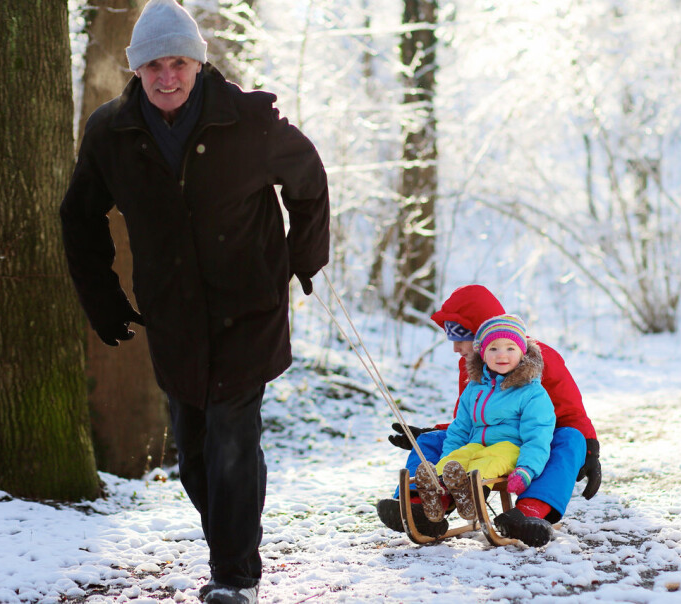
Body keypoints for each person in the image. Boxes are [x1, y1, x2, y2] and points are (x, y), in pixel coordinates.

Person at [59, 1, 330, 602]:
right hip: (173, 315)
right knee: (197, 452)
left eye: (177, 61)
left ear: (198, 62)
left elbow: (308, 178)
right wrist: (103, 301)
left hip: (249, 308)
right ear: (136, 70)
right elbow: (79, 218)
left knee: (231, 436)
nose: (166, 76)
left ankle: (235, 578)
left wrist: (304, 256)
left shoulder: (248, 121)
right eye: (152, 65)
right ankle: (238, 538)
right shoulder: (112, 132)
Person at [376, 285, 601, 547]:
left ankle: (531, 512)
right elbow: (473, 420)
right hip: (483, 441)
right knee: (429, 442)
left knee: (572, 439)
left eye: (461, 338)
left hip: (529, 441)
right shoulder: (474, 368)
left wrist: (590, 449)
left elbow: (569, 410)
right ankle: (421, 506)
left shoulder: (542, 358)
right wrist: (430, 432)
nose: (456, 348)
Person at [413, 315, 556, 526]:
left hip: (511, 449)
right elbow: (460, 428)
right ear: (482, 353)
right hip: (476, 445)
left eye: (510, 348)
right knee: (458, 458)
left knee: (489, 460)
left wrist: (526, 469)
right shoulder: (474, 387)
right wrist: (449, 457)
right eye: (493, 349)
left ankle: (470, 494)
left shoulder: (532, 392)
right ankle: (440, 495)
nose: (502, 355)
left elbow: (538, 435)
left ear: (523, 352)